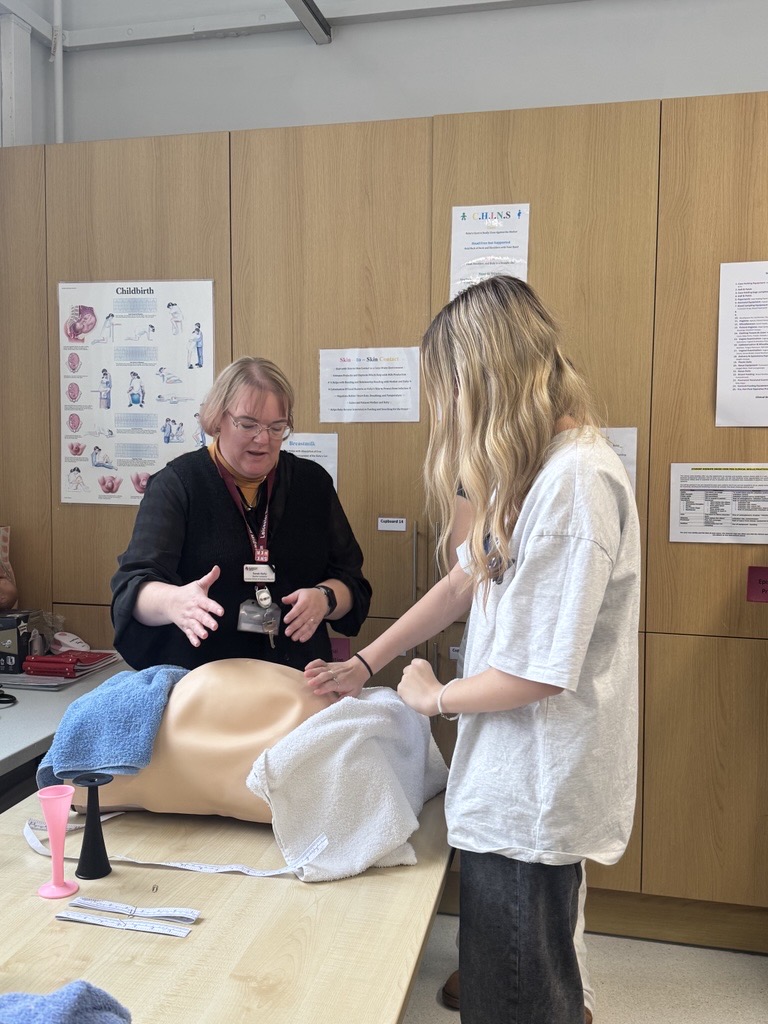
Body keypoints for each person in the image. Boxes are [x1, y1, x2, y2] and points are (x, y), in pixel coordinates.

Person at [305, 276, 640, 1024]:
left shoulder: (575, 485)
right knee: (522, 977)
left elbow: (536, 672)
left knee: (516, 998)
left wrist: (434, 697)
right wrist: (367, 662)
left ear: (486, 378)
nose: (446, 411)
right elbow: (463, 581)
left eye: (448, 390)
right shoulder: (536, 472)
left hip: (535, 792)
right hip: (511, 784)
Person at [111, 356, 372, 672]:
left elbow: (352, 583)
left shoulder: (311, 483)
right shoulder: (178, 484)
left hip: (296, 681)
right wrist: (174, 602)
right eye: (248, 424)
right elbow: (132, 588)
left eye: (277, 427)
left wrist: (325, 598)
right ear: (218, 418)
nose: (262, 439)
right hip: (203, 683)